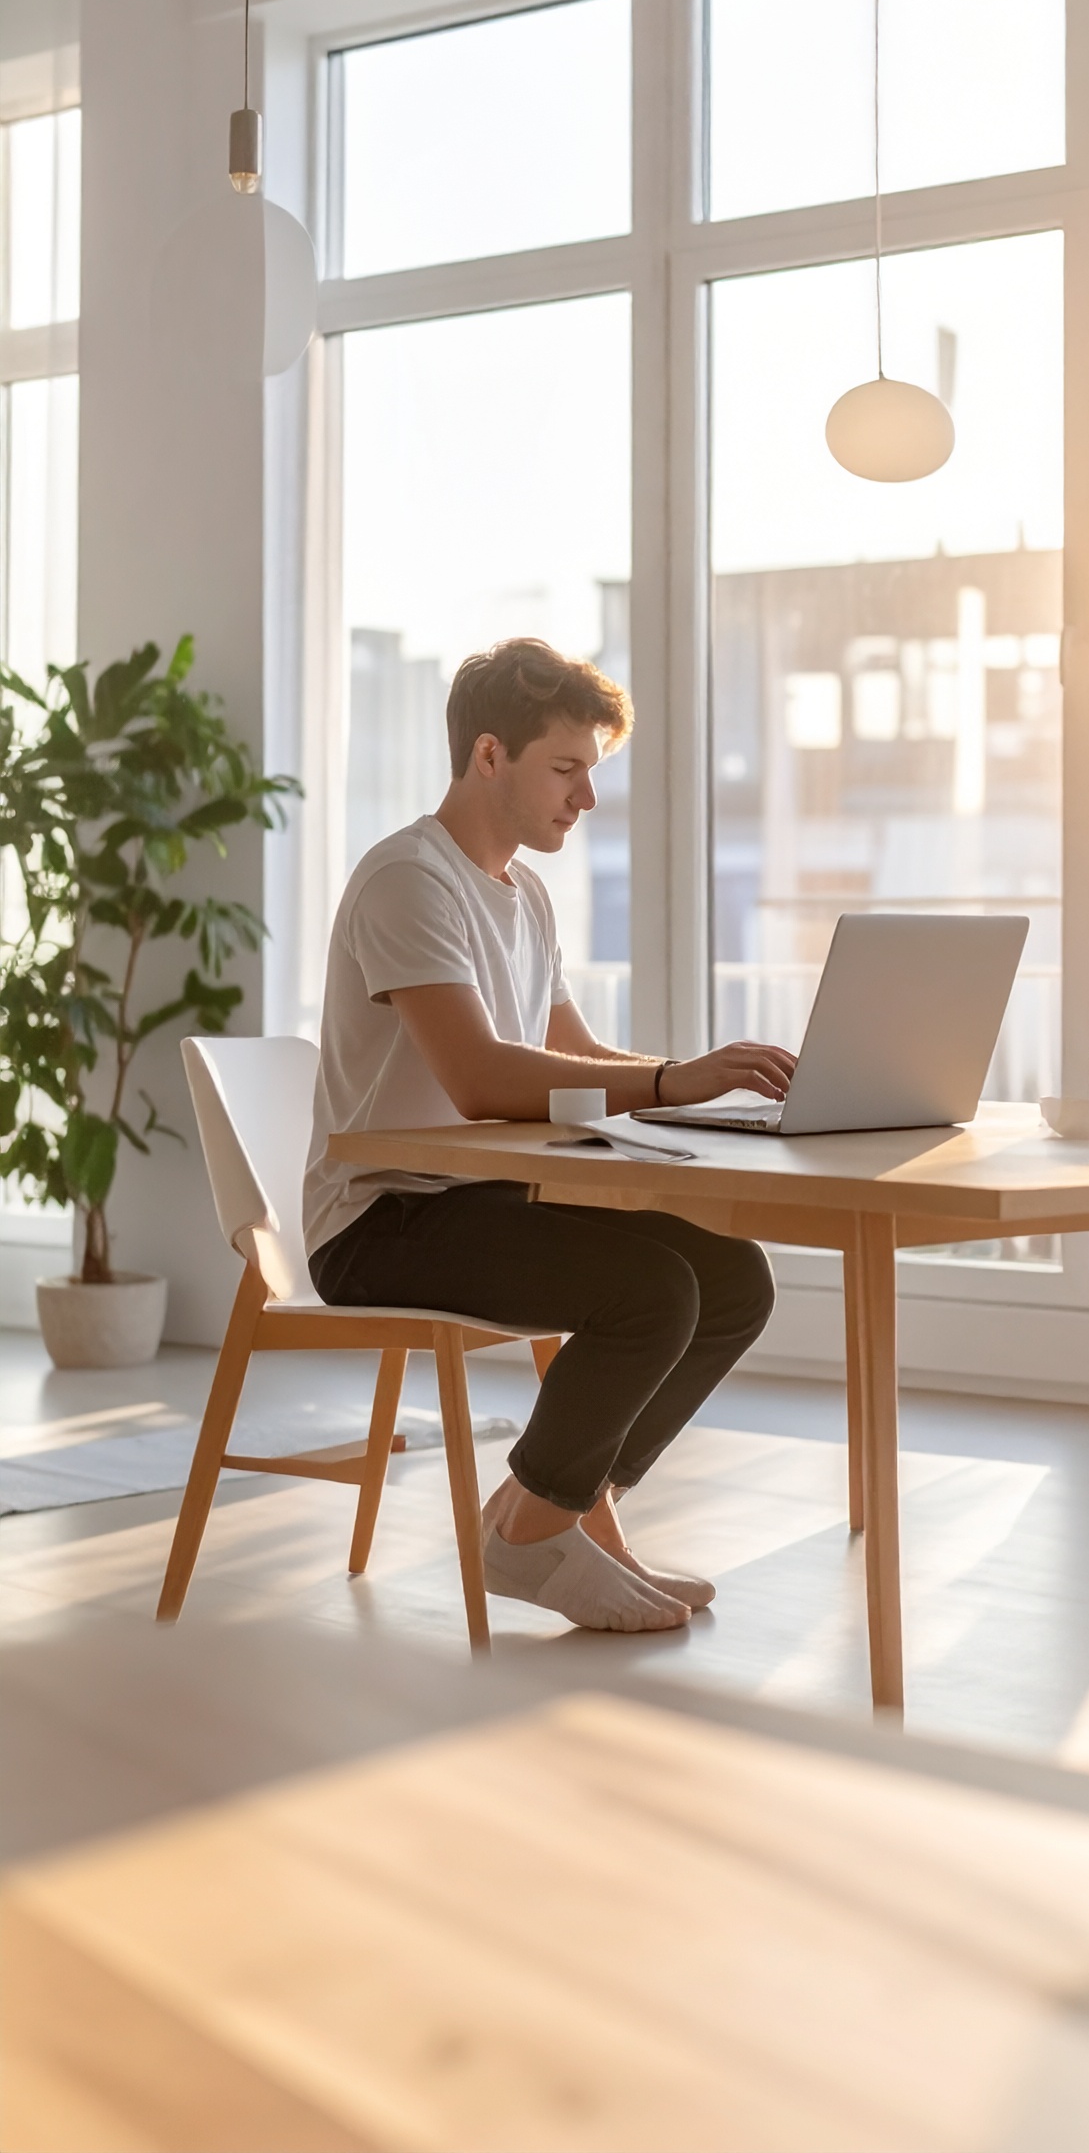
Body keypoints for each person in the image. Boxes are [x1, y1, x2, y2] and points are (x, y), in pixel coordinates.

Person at [304, 637, 795, 1634]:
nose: (588, 798)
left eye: (591, 772)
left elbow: (572, 1052)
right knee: (650, 1293)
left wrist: (700, 1090)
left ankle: (556, 1507)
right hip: (382, 1222)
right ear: (490, 756)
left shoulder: (523, 894)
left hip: (479, 1202)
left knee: (735, 1280)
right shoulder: (408, 879)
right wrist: (668, 1080)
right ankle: (532, 1533)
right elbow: (483, 1077)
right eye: (567, 768)